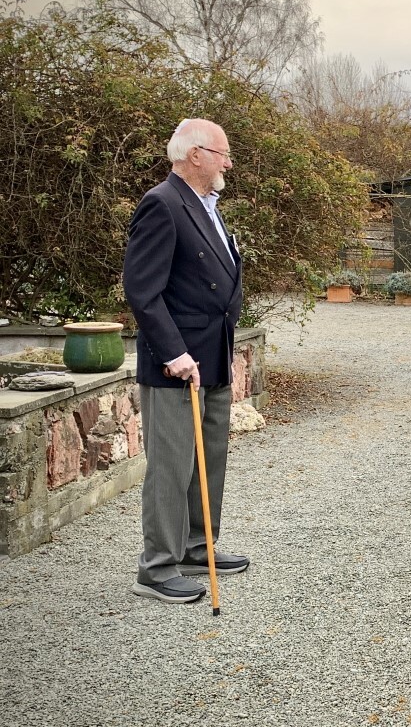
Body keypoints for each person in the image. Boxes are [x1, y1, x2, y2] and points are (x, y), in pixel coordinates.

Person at [123, 118, 249, 604]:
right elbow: (143, 291)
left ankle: (199, 548)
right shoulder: (162, 204)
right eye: (222, 153)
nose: (228, 162)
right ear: (195, 154)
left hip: (212, 352)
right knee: (172, 466)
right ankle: (157, 568)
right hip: (177, 363)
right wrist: (174, 353)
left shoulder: (205, 206)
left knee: (207, 460)